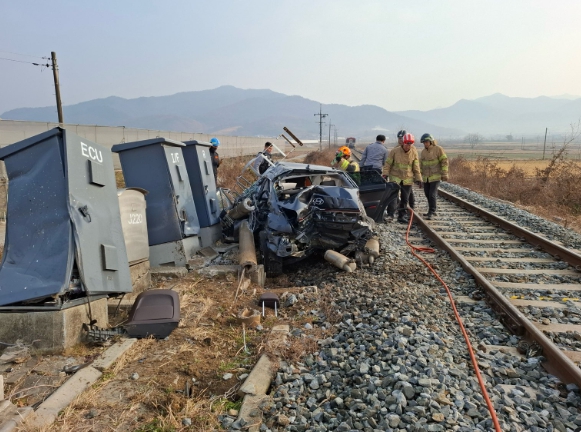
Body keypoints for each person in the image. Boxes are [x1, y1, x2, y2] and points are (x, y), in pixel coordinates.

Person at [384, 133, 422, 224]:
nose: (408, 146)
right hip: (395, 177)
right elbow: (388, 164)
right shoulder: (395, 151)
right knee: (393, 197)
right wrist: (385, 174)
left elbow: (416, 167)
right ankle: (390, 215)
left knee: (405, 199)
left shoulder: (414, 152)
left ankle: (402, 216)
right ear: (403, 143)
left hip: (407, 179)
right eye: (407, 144)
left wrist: (419, 178)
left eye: (410, 144)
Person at [419, 133, 448, 219]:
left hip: (435, 176)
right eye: (424, 142)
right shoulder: (423, 152)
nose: (425, 144)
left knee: (432, 194)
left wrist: (444, 173)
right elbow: (421, 165)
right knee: (427, 193)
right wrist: (419, 176)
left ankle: (432, 211)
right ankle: (430, 210)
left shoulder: (438, 149)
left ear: (431, 141)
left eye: (426, 142)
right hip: (426, 178)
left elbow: (444, 161)